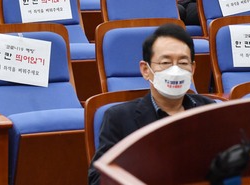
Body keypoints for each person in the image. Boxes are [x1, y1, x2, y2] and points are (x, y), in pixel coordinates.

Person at [87, 23, 215, 185]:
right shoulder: (119, 118)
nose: (175, 71)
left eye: (183, 63)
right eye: (165, 63)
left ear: (193, 68)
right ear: (146, 70)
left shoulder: (209, 110)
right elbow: (97, 179)